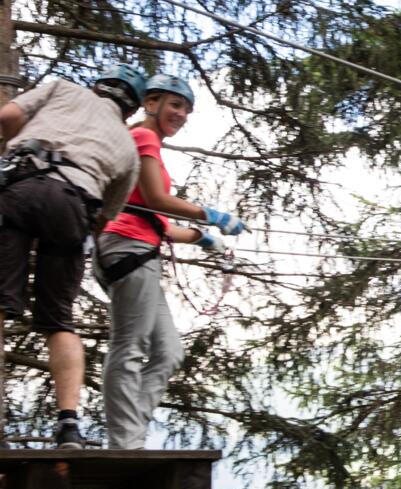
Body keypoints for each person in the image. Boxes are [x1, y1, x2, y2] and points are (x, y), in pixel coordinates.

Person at [95, 74, 246, 449]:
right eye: (175, 105)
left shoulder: (148, 145)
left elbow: (156, 218)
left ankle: (131, 432)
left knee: (168, 352)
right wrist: (210, 215)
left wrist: (200, 238)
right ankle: (124, 442)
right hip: (127, 247)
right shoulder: (143, 137)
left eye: (186, 109)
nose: (182, 114)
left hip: (136, 246)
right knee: (130, 346)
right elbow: (157, 199)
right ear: (151, 104)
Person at [0, 65, 145, 447]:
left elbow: (8, 116)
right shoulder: (128, 149)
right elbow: (105, 217)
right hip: (74, 208)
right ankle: (69, 425)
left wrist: (15, 149)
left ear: (98, 86)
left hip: (21, 184)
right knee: (58, 322)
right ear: (130, 109)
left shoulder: (64, 89)